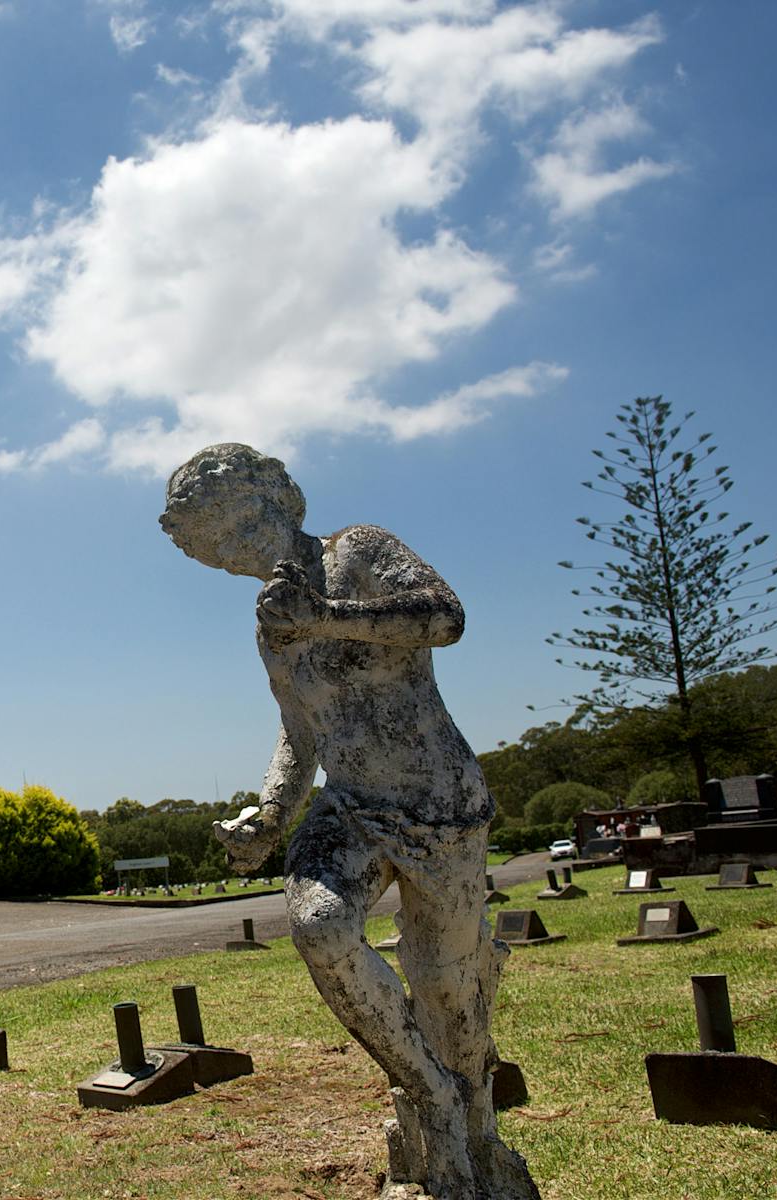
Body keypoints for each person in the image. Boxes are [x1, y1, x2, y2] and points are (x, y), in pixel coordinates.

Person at [161, 443, 537, 1200]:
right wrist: (270, 815)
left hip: (441, 805)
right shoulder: (269, 626)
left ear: (279, 498)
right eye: (214, 551)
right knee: (320, 924)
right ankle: (426, 1095)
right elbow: (301, 733)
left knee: (446, 991)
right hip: (350, 807)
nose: (234, 555)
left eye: (236, 528)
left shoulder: (355, 551)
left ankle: (473, 1140)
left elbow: (444, 618)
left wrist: (328, 618)